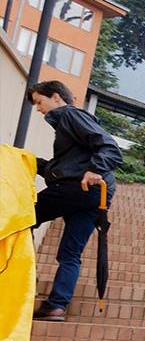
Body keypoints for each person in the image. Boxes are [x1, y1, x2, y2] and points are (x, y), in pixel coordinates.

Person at [26, 81, 122, 322]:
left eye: (39, 102)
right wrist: (29, 161)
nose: (38, 109)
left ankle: (19, 279)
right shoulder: (68, 126)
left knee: (22, 218)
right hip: (93, 196)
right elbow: (64, 168)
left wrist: (93, 169)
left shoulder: (69, 115)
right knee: (70, 253)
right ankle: (56, 306)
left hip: (80, 188)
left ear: (56, 97)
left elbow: (110, 147)